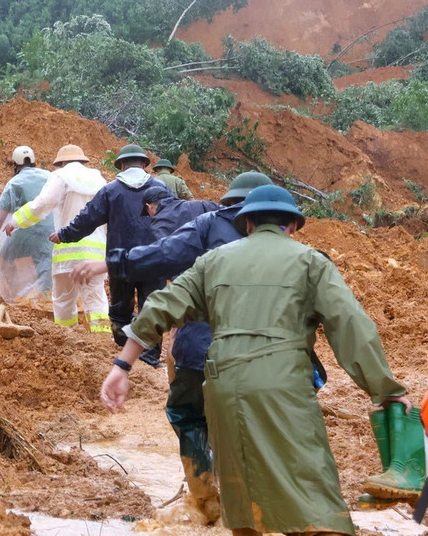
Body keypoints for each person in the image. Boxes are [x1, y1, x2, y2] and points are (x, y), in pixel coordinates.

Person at [101, 184, 411, 536]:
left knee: (243, 502)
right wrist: (384, 389)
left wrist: (122, 366)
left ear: (246, 223)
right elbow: (351, 326)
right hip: (284, 387)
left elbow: (160, 306)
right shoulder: (310, 262)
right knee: (315, 497)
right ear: (292, 226)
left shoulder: (213, 262)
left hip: (223, 388)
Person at [75, 171, 271, 523]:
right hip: (267, 360)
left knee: (187, 413)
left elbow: (162, 257)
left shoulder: (210, 226)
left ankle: (204, 497)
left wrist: (111, 263)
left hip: (199, 348)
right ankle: (253, 502)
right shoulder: (290, 248)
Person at [53, 143, 170, 366]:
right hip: (154, 260)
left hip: (120, 261)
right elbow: (177, 218)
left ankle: (124, 352)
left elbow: (86, 220)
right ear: (145, 164)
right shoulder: (161, 189)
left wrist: (64, 234)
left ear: (121, 165)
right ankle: (149, 359)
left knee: (120, 310)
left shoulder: (111, 190)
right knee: (152, 308)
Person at [3, 144, 110, 332]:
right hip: (96, 254)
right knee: (96, 300)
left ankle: (67, 339)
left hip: (67, 252)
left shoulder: (61, 177)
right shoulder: (99, 179)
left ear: (61, 162)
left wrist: (16, 221)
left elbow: (42, 204)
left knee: (63, 300)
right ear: (82, 160)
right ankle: (100, 342)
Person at [0, 146, 53, 305]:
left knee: (5, 257)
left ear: (15, 165)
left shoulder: (15, 183)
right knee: (45, 264)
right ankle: (45, 301)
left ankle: (17, 298)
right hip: (51, 234)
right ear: (35, 162)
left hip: (24, 232)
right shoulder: (50, 177)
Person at [142, 186, 220, 243]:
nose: (149, 216)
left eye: (147, 213)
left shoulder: (157, 228)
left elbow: (166, 257)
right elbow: (228, 212)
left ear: (149, 206)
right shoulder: (201, 204)